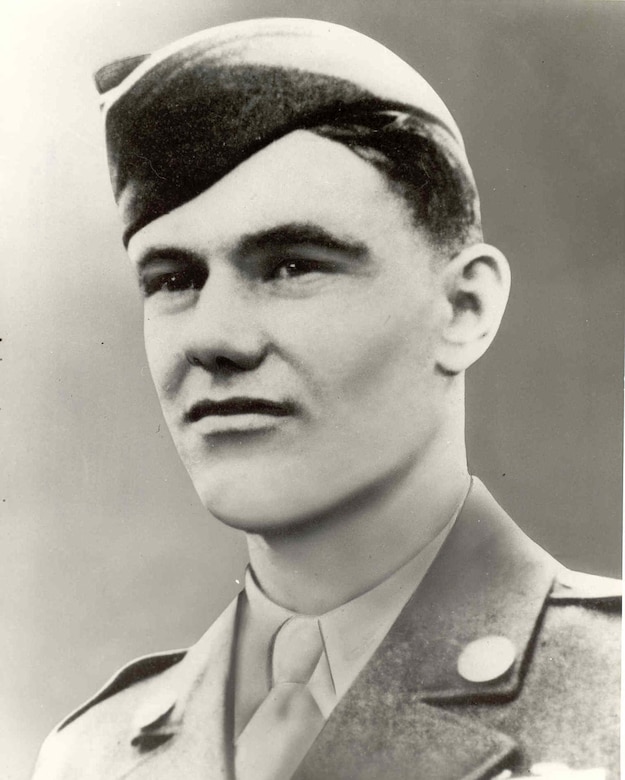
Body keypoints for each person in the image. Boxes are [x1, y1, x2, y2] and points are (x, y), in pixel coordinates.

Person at [32, 18, 620, 780]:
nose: (215, 338)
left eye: (291, 266)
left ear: (463, 309)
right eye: (173, 281)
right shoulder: (91, 757)